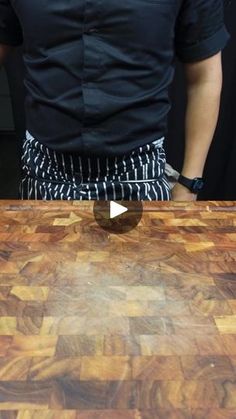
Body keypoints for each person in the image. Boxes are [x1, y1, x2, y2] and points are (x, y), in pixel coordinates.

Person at [0, 0, 230, 201]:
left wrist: (189, 185)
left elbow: (204, 78)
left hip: (139, 173)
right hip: (44, 172)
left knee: (145, 252)